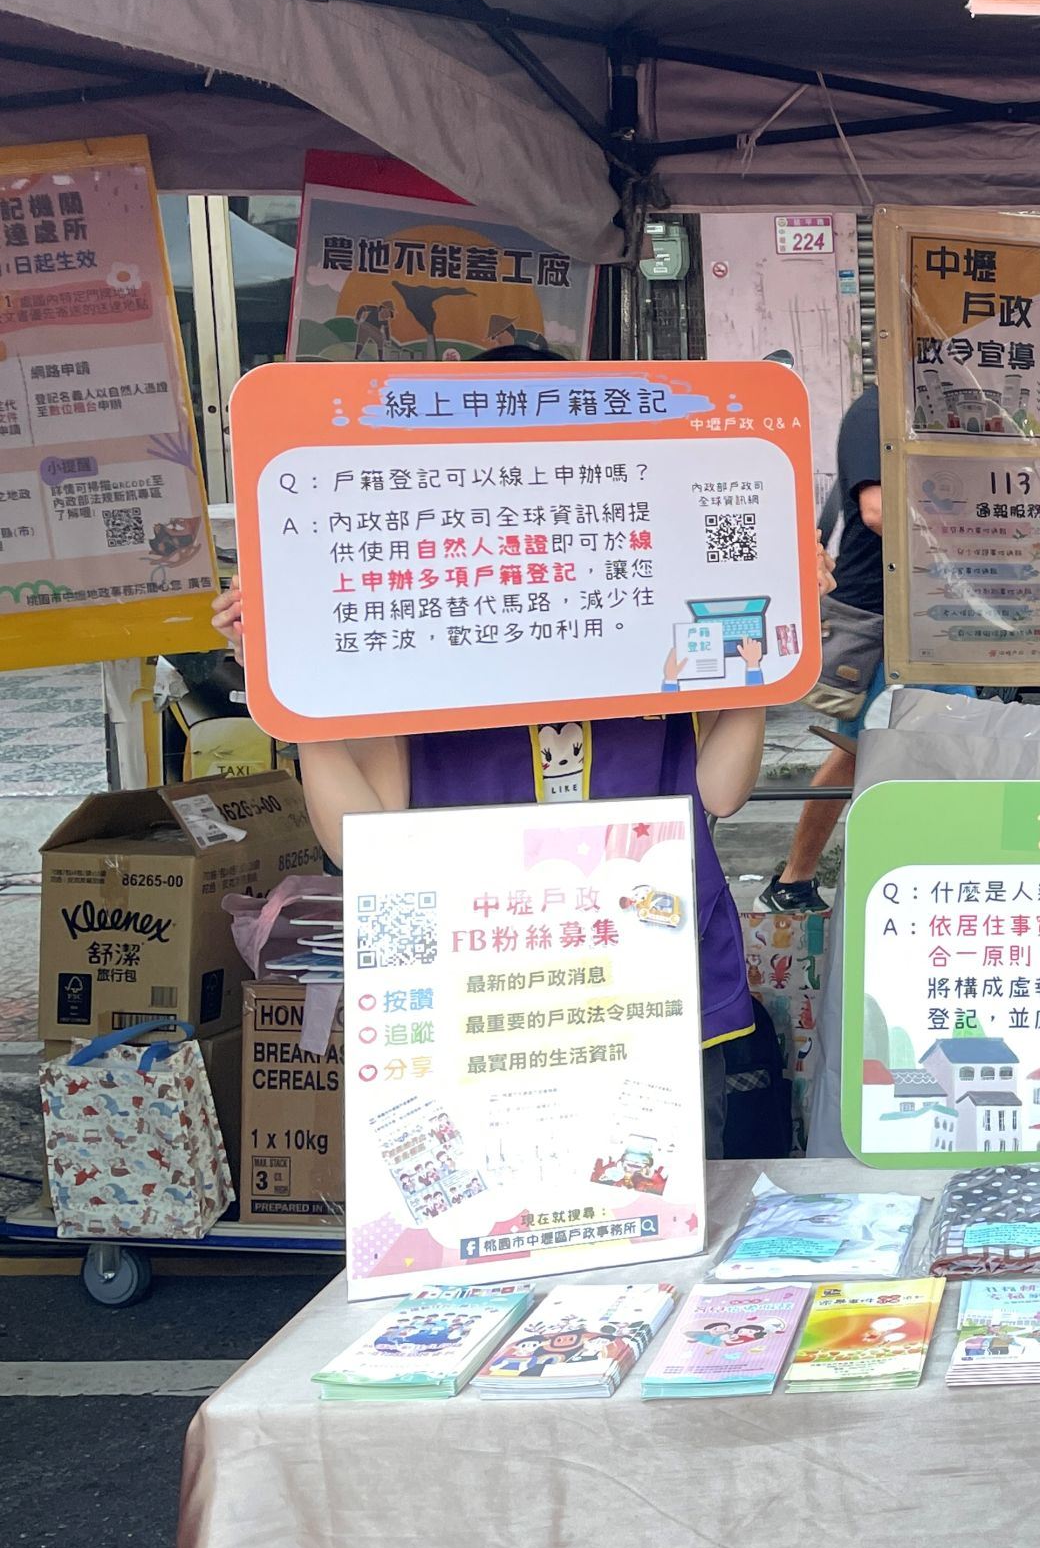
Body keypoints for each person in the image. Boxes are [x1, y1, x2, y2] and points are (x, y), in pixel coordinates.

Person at [211, 343, 793, 1156]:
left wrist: (768, 641)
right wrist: (294, 679)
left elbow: (721, 792)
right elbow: (359, 840)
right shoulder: (406, 633)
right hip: (489, 995)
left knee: (656, 1205)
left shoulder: (655, 616)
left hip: (650, 983)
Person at [767, 383, 887, 911]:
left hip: (925, 614)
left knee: (861, 753)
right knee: (861, 753)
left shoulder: (925, 408)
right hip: (878, 619)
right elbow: (877, 511)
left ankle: (795, 880)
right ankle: (795, 879)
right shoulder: (875, 411)